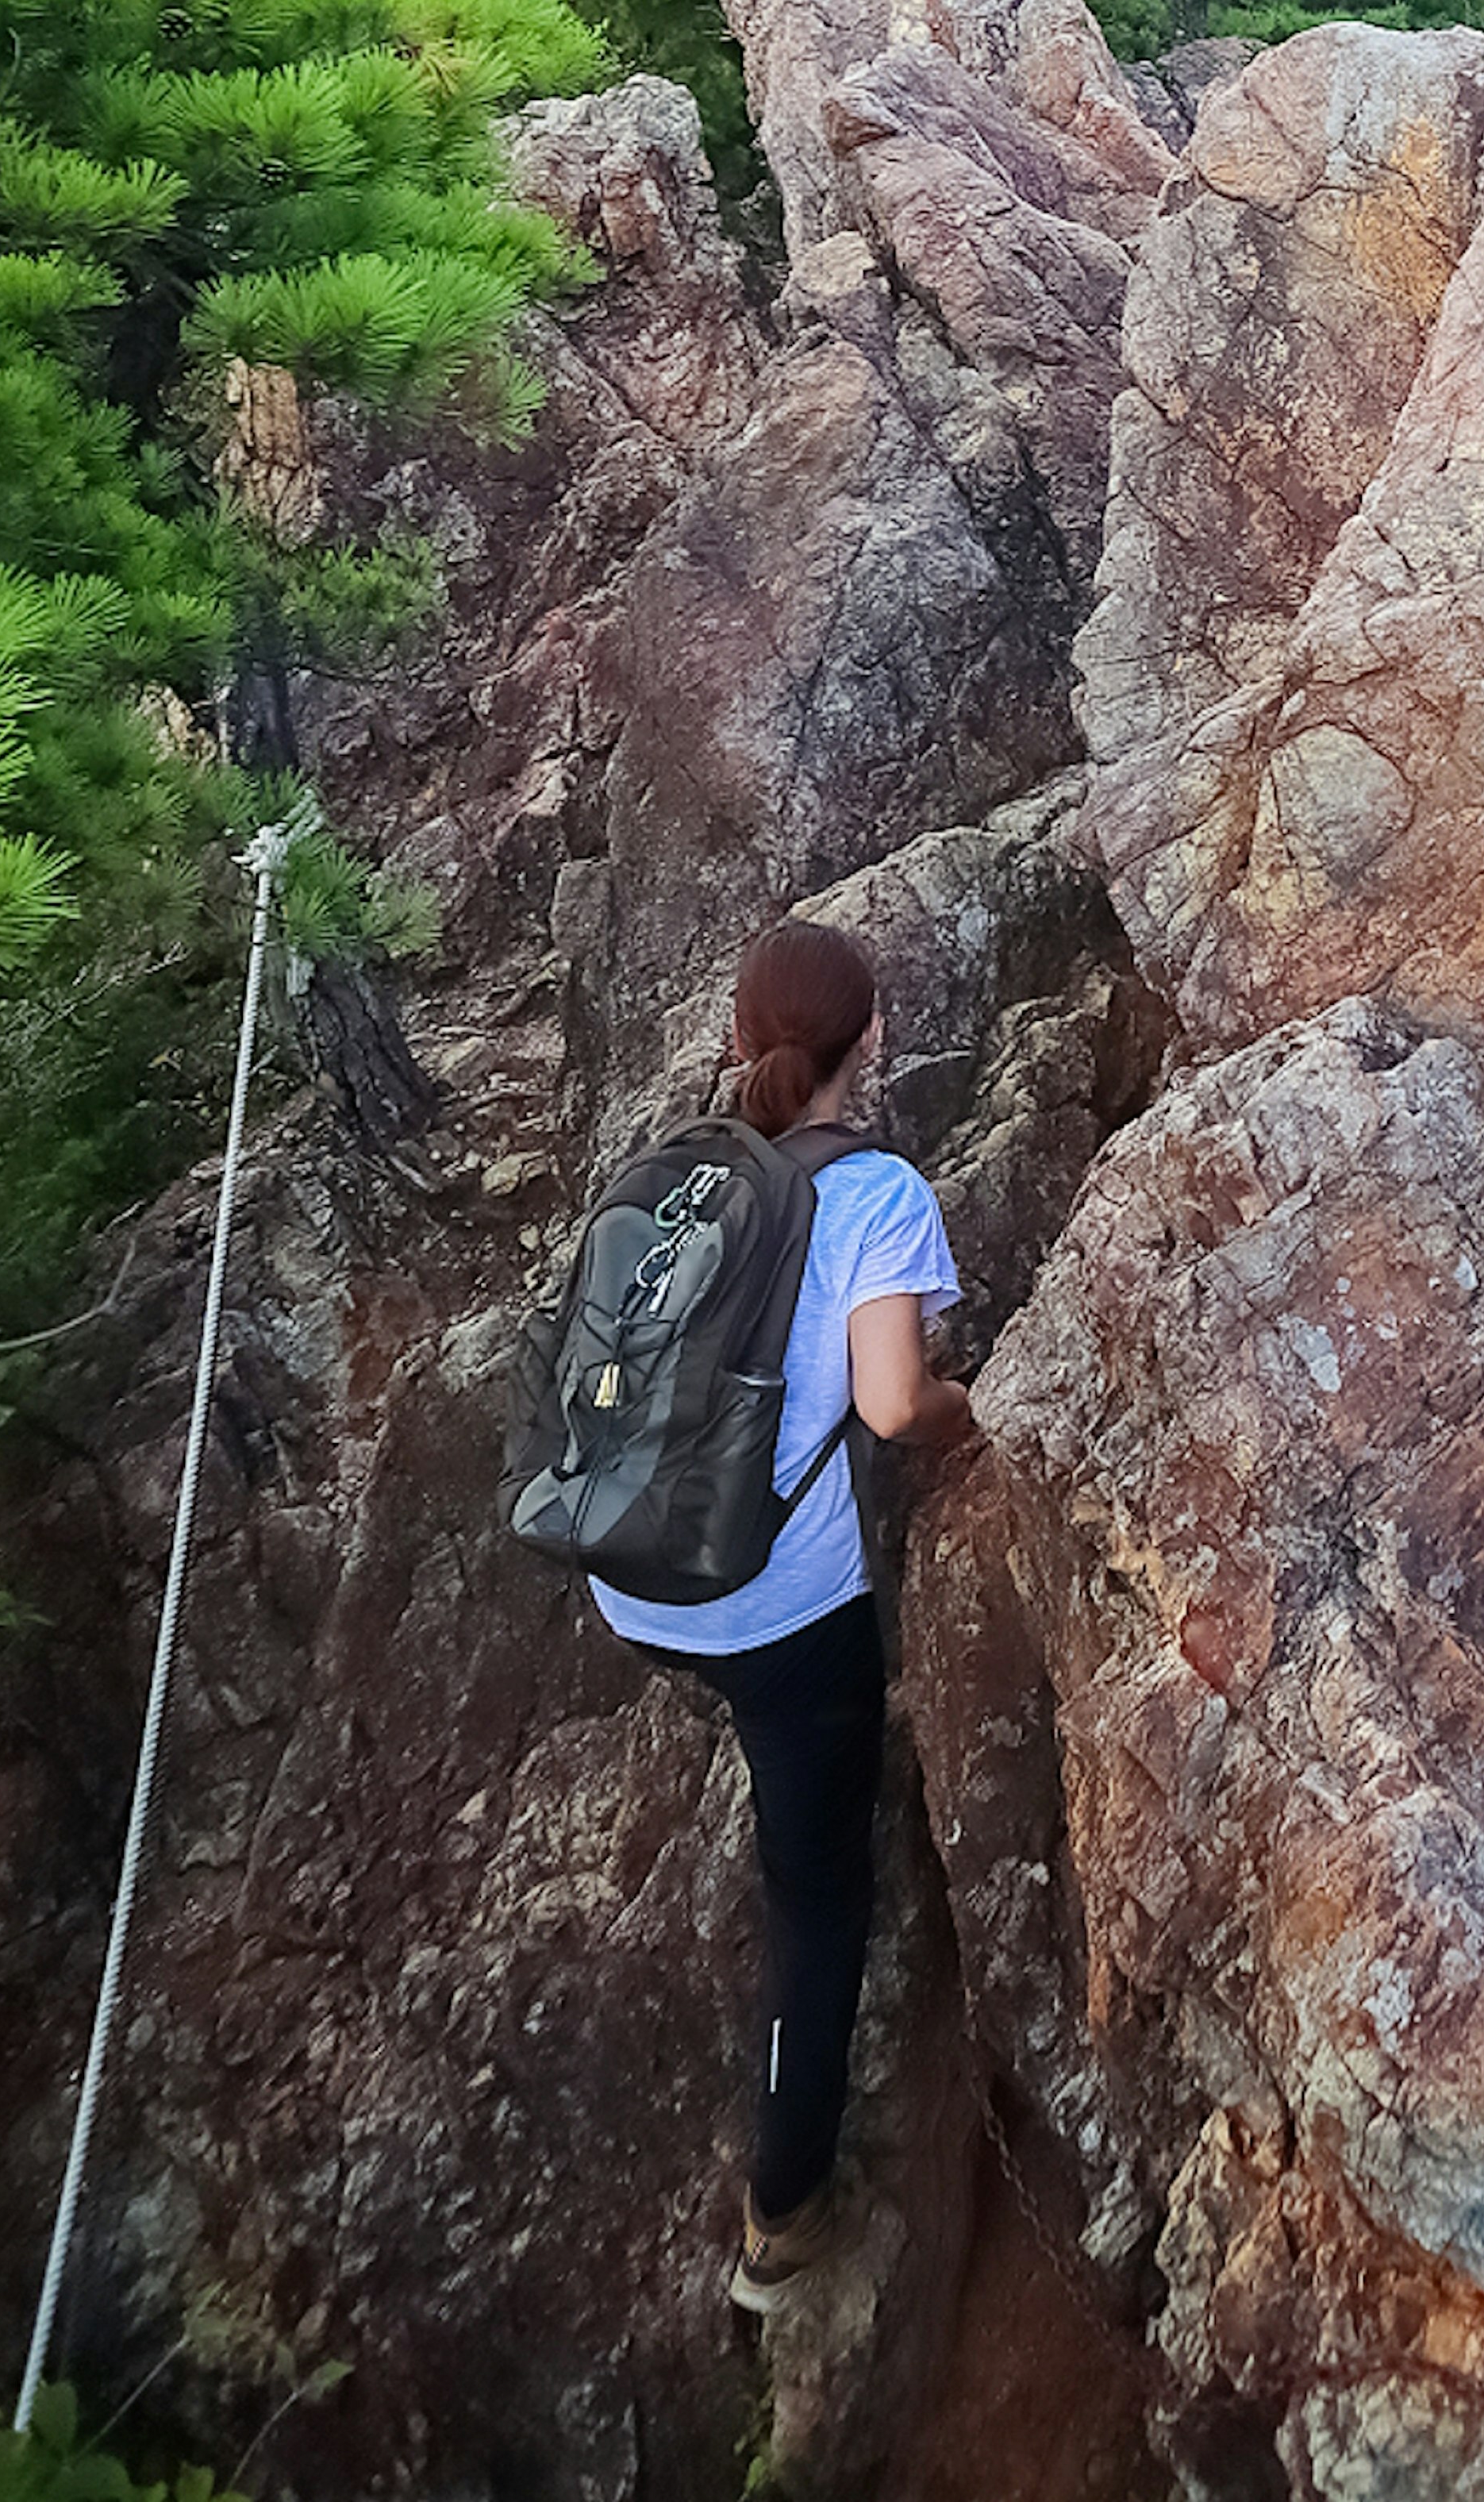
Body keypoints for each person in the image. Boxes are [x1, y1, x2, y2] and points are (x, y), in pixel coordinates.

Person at [590, 916, 970, 2310]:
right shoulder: (876, 1194)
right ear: (867, 1043)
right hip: (778, 1610)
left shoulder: (675, 1177)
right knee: (817, 1898)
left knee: (769, 1736)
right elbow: (891, 1406)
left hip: (634, 1576)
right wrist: (980, 1418)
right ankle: (783, 2215)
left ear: (742, 1040)